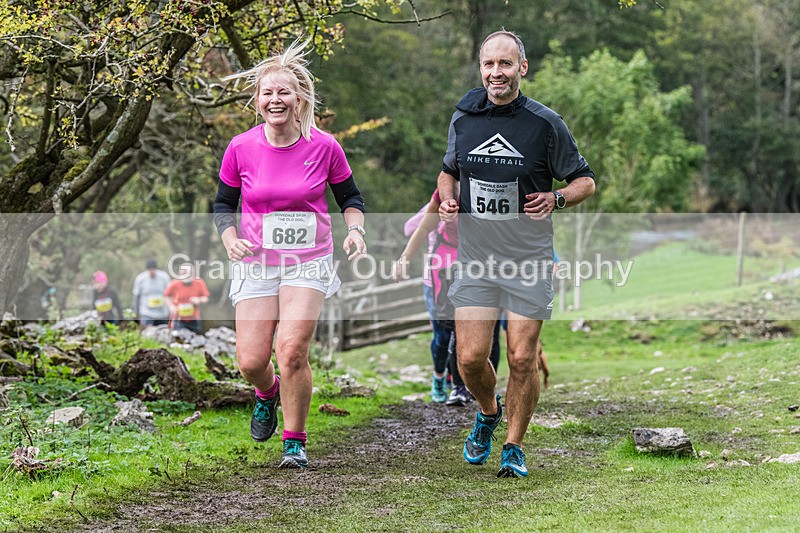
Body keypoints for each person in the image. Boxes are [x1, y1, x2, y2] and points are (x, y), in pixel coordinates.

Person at [437, 30, 595, 478]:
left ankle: (513, 445)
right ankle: (488, 412)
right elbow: (448, 171)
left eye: (505, 64)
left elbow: (585, 181)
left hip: (529, 258)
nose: (496, 73)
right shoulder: (464, 117)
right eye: (489, 65)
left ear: (522, 68)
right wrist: (448, 199)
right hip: (475, 258)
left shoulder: (546, 124)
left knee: (522, 358)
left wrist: (557, 199)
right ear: (481, 68)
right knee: (469, 358)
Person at [212, 39, 366, 469]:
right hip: (257, 262)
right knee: (250, 361)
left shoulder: (324, 146)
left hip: (309, 260)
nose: (275, 99)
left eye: (284, 92)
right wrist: (229, 239)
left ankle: (294, 440)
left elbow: (350, 197)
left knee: (292, 348)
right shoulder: (240, 148)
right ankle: (266, 392)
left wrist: (355, 230)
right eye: (267, 92)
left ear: (300, 99)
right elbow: (224, 205)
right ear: (257, 101)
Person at [393, 190, 501, 406]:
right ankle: (443, 380)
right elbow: (412, 228)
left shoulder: (488, 192)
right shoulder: (443, 197)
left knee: (488, 332)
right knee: (446, 334)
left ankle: (476, 386)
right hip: (439, 275)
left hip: (480, 269)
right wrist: (433, 218)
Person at [163, 262, 210, 334]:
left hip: (194, 318)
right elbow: (166, 296)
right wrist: (171, 306)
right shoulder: (174, 283)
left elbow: (206, 298)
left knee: (194, 340)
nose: (187, 275)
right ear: (179, 273)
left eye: (190, 273)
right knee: (178, 340)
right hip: (178, 318)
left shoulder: (199, 282)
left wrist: (199, 300)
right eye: (184, 273)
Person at [132, 259, 171, 326]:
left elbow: (170, 294)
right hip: (146, 312)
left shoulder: (164, 277)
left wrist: (170, 310)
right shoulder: (140, 279)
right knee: (146, 333)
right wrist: (135, 313)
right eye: (150, 269)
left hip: (162, 313)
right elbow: (136, 297)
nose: (151, 271)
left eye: (153, 269)